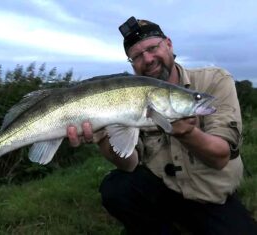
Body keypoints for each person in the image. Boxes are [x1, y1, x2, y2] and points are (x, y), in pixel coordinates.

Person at [67, 16, 257, 235]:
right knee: (116, 188)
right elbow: (129, 164)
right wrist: (101, 138)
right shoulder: (128, 98)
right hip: (162, 190)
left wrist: (187, 133)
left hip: (210, 197)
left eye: (152, 47)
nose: (147, 59)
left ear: (168, 44)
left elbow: (220, 156)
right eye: (136, 56)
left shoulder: (214, 80)